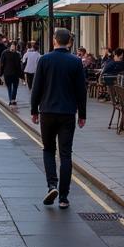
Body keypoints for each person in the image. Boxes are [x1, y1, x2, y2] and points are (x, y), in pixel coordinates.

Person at [30, 27, 87, 210]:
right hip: (68, 114)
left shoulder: (44, 59)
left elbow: (36, 87)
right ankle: (63, 197)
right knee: (65, 154)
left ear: (55, 40)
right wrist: (82, 114)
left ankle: (52, 185)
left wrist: (33, 110)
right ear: (69, 42)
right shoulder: (76, 61)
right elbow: (81, 91)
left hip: (47, 112)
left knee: (48, 150)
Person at [0, 40, 23, 108]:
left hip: (7, 73)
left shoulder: (4, 53)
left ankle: (11, 100)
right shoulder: (17, 54)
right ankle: (12, 99)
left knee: (9, 87)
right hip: (15, 74)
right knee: (15, 87)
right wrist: (21, 75)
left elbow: (2, 64)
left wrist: (0, 74)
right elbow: (19, 65)